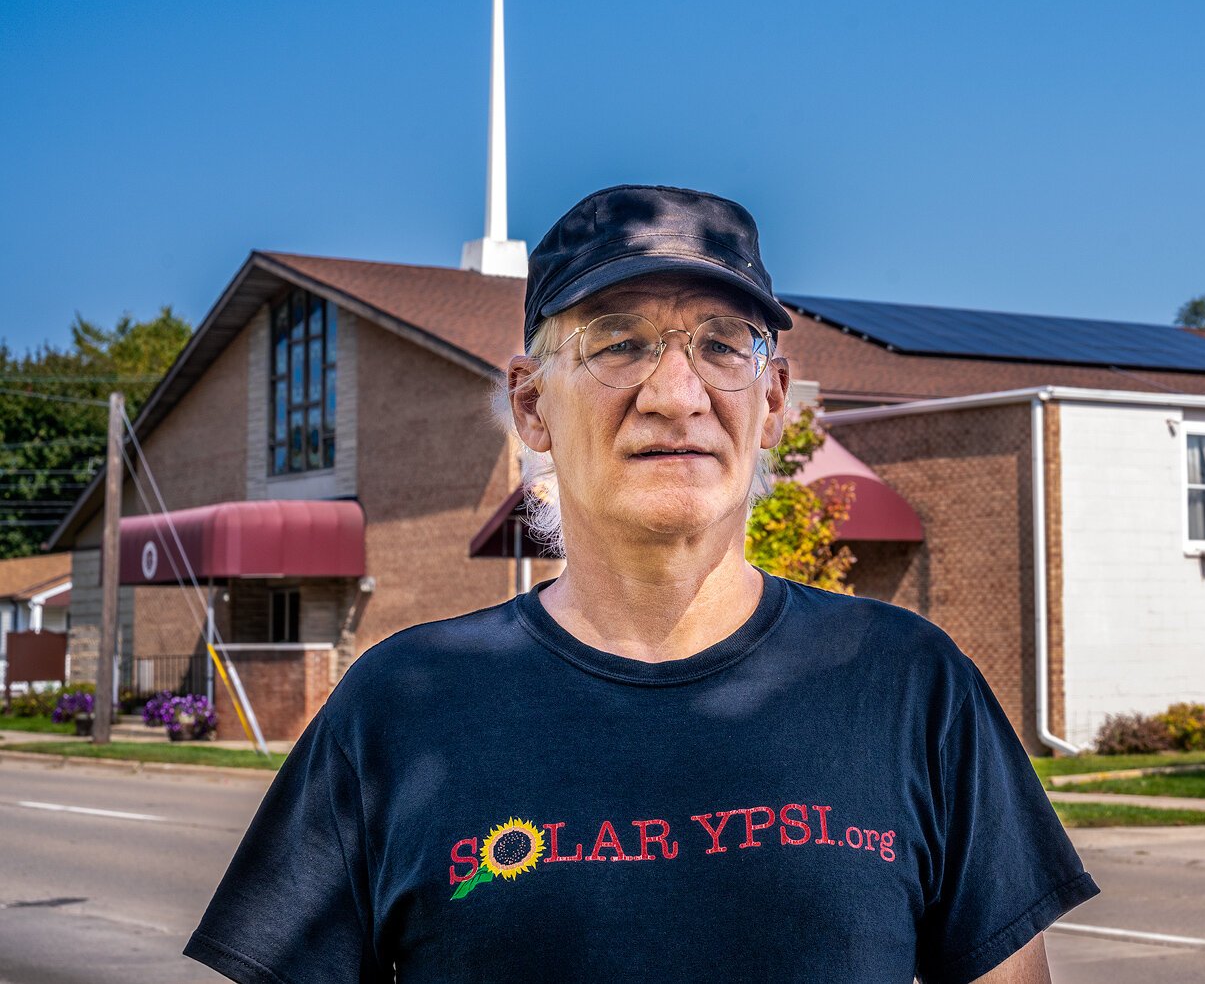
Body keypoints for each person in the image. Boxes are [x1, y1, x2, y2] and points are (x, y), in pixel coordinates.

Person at [184, 184, 1098, 983]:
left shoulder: (909, 685)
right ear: (533, 404)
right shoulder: (397, 709)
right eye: (618, 344)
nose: (674, 393)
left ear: (773, 399)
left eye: (722, 346)